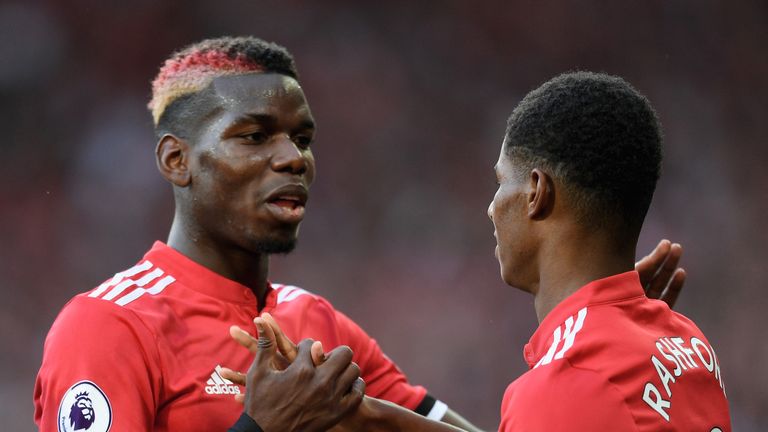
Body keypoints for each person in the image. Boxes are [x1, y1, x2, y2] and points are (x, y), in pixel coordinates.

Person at [33, 35, 685, 432]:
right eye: (255, 136)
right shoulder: (108, 327)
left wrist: (600, 342)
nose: (293, 158)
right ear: (176, 160)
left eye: (303, 138)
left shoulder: (316, 322)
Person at [229, 72, 730, 431]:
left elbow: (572, 402)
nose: (492, 209)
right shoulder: (684, 342)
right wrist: (363, 415)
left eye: (500, 184)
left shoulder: (567, 384)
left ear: (537, 192)